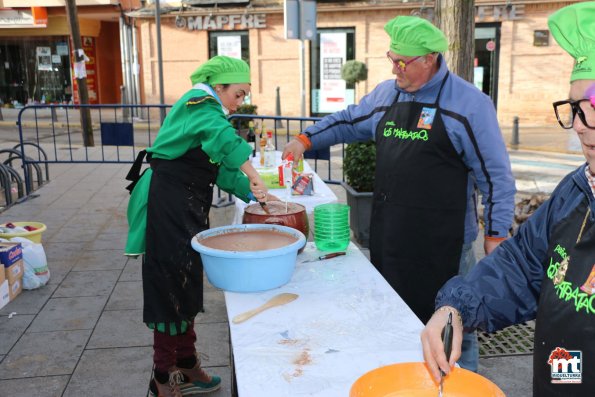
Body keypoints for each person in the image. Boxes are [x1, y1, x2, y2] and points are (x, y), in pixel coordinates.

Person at [282, 15, 515, 371]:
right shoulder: (386, 94)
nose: (395, 69)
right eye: (392, 59)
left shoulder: (469, 104)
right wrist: (306, 138)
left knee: (453, 330)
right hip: (391, 238)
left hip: (446, 246)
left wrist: (497, 234)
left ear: (429, 59)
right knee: (393, 321)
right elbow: (349, 120)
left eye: (402, 62)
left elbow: (495, 176)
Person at [421, 3, 595, 396]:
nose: (584, 129)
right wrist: (457, 307)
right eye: (576, 109)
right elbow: (522, 265)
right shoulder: (576, 190)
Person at [125, 56, 273, 397]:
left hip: (187, 207)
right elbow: (223, 139)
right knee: (168, 288)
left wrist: (251, 193)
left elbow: (217, 165)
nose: (240, 102)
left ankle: (188, 365)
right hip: (167, 207)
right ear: (218, 87)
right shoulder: (198, 105)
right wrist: (252, 173)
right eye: (238, 94)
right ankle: (162, 376)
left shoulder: (208, 113)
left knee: (187, 283)